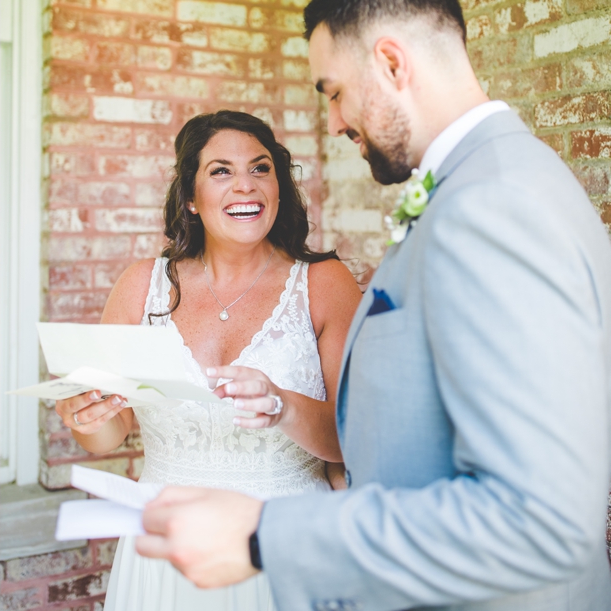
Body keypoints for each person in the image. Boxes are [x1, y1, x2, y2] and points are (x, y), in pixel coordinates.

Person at [135, 1, 611, 610]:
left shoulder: (494, 204)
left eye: (334, 92)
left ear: (390, 63)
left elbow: (540, 521)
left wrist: (265, 538)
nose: (334, 122)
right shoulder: (484, 184)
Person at [54, 110, 362, 610]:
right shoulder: (141, 287)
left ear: (279, 186)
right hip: (165, 546)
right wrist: (83, 415)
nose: (246, 185)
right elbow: (108, 433)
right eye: (221, 171)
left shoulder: (325, 285)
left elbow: (349, 441)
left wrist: (283, 407)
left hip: (284, 543)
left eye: (261, 169)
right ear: (192, 199)